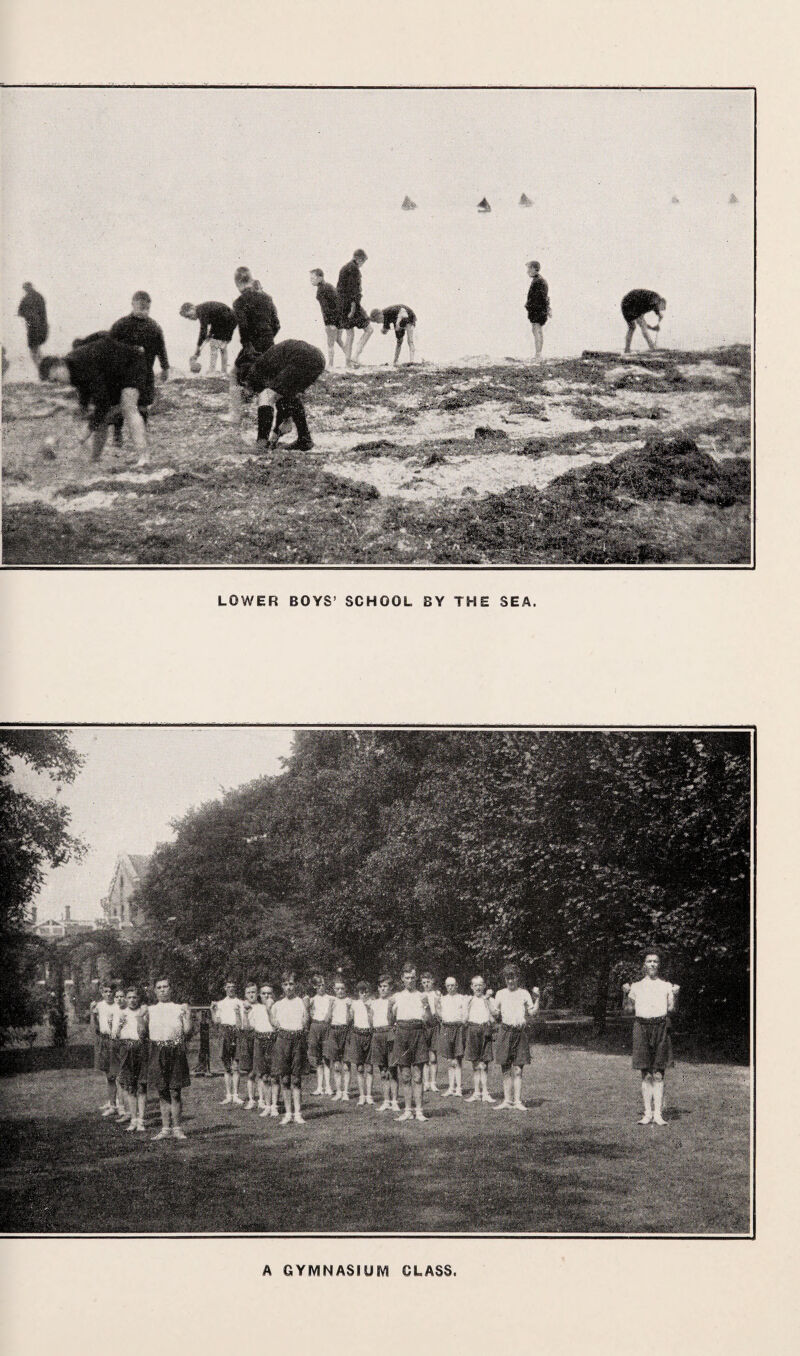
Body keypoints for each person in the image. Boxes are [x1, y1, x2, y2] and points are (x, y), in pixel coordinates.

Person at [38, 337, 149, 462]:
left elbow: (103, 403)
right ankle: (95, 458)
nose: (59, 384)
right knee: (100, 416)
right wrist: (83, 408)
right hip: (113, 372)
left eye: (56, 379)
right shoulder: (71, 368)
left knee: (128, 407)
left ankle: (144, 458)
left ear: (59, 365)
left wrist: (87, 431)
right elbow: (84, 389)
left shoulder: (82, 364)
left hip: (132, 362)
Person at [622, 952, 680, 1126]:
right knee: (646, 1074)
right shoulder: (636, 986)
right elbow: (628, 1010)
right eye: (649, 961)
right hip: (641, 1026)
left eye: (655, 961)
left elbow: (672, 1009)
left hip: (661, 1026)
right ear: (644, 965)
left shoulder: (666, 986)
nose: (653, 964)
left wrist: (675, 995)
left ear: (659, 965)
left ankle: (658, 1114)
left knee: (659, 1073)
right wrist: (625, 994)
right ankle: (647, 1114)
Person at [239, 339, 326, 453]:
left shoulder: (256, 370)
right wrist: (275, 436)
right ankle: (305, 439)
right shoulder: (270, 364)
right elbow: (284, 402)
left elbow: (267, 396)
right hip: (318, 359)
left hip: (301, 357)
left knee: (266, 396)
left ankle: (261, 444)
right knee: (289, 397)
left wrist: (280, 427)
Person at [109, 292, 169, 443]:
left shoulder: (154, 327)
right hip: (123, 372)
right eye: (140, 307)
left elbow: (161, 348)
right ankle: (117, 434)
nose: (144, 311)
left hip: (145, 372)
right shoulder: (121, 325)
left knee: (143, 404)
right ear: (133, 304)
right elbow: (109, 346)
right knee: (119, 403)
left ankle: (142, 434)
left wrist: (165, 367)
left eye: (146, 308)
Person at [224, 266, 280, 425]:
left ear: (237, 283)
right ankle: (278, 415)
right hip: (269, 344)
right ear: (251, 279)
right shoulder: (267, 298)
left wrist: (248, 346)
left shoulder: (239, 302)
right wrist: (267, 338)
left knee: (234, 375)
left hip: (252, 345)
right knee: (270, 379)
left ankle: (235, 415)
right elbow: (277, 324)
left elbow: (243, 327)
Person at [145, 977, 193, 1141]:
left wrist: (188, 1016)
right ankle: (165, 1128)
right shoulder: (150, 1010)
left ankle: (177, 1128)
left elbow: (187, 1032)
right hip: (157, 1050)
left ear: (171, 989)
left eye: (165, 986)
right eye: (159, 987)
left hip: (175, 1050)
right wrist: (140, 1018)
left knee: (175, 1091)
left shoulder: (179, 1008)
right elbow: (142, 1032)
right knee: (162, 1091)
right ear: (155, 991)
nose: (162, 990)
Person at [388, 964, 435, 1123]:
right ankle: (408, 1111)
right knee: (405, 1075)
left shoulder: (422, 996)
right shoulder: (397, 997)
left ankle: (419, 1111)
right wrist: (389, 1006)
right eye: (407, 978)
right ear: (402, 978)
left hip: (418, 1033)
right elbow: (390, 1021)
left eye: (413, 978)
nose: (410, 980)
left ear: (416, 978)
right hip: (402, 1034)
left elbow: (430, 1021)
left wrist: (427, 1006)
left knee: (418, 1075)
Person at [489, 966, 540, 1111]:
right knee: (505, 1068)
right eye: (508, 978)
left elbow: (532, 1012)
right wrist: (487, 1001)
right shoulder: (500, 993)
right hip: (505, 1032)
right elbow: (495, 1014)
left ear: (518, 978)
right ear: (505, 979)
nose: (510, 981)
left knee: (518, 1069)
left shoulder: (524, 993)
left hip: (520, 1033)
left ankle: (517, 1101)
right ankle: (507, 1101)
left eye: (513, 977)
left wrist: (537, 998)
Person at [270, 972, 309, 1126]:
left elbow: (306, 1021)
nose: (288, 987)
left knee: (297, 1078)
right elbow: (273, 1022)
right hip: (283, 1040)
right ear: (282, 986)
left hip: (297, 1040)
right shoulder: (277, 1005)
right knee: (285, 1079)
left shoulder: (301, 1002)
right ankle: (288, 1113)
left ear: (295, 985)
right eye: (285, 984)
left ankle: (298, 1113)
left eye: (291, 984)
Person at [112, 985, 149, 1132]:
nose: (132, 1000)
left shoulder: (144, 1012)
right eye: (129, 997)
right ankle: (133, 1119)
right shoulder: (121, 1013)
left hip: (141, 1048)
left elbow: (144, 1034)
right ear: (126, 999)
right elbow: (115, 1035)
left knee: (142, 1086)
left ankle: (141, 1120)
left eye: (135, 997)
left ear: (139, 998)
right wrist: (120, 1024)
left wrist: (140, 1018)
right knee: (130, 1086)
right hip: (126, 1049)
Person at [336, 249, 373, 367]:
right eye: (363, 261)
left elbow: (340, 289)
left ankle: (348, 363)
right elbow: (354, 290)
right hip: (352, 305)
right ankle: (355, 356)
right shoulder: (354, 269)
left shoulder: (345, 267)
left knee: (350, 334)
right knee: (369, 329)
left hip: (342, 305)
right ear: (359, 259)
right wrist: (353, 308)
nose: (363, 264)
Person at [211, 978, 245, 1106]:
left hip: (236, 1032)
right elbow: (216, 1021)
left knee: (236, 1065)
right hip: (224, 1033)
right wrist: (212, 1010)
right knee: (226, 1067)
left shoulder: (240, 1003)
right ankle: (228, 1095)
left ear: (235, 988)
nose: (231, 989)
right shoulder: (220, 1003)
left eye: (233, 986)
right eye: (228, 986)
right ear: (225, 988)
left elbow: (241, 1022)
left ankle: (236, 1095)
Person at [180, 300, 237, 374]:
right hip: (231, 319)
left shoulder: (201, 311)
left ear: (193, 308)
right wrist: (210, 334)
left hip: (226, 321)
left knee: (214, 344)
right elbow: (215, 320)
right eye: (187, 318)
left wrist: (198, 348)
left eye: (189, 315)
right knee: (222, 347)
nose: (190, 318)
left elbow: (203, 331)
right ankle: (224, 371)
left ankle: (212, 371)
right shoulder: (203, 309)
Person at [464, 976, 496, 1103]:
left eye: (480, 985)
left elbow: (494, 1017)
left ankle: (485, 1092)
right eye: (475, 985)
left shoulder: (489, 999)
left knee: (484, 1063)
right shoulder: (469, 1000)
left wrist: (487, 1001)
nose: (478, 987)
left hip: (485, 1030)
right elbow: (464, 1019)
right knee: (475, 1064)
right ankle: (477, 1092)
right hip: (472, 1030)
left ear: (484, 986)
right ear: (472, 987)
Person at [369, 974, 399, 1112]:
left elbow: (393, 1020)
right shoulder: (373, 1003)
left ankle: (395, 1101)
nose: (382, 989)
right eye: (380, 986)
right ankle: (386, 1101)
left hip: (390, 1034)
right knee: (383, 1071)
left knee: (392, 1070)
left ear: (390, 987)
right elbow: (371, 1022)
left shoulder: (394, 1001)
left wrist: (390, 1007)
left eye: (385, 986)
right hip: (377, 1035)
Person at [251, 983, 279, 1117]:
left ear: (273, 995)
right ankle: (267, 1105)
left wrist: (269, 1009)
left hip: (273, 1040)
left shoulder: (277, 1007)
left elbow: (277, 1026)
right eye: (263, 993)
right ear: (259, 995)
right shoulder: (255, 1008)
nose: (266, 996)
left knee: (275, 1075)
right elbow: (251, 1025)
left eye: (269, 993)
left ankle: (275, 1106)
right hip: (259, 1040)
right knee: (264, 1076)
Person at [309, 270, 346, 368]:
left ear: (320, 278)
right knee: (339, 340)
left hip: (332, 321)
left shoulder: (321, 290)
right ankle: (351, 359)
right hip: (340, 319)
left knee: (330, 343)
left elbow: (326, 309)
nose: (311, 281)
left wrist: (331, 323)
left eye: (313, 278)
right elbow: (338, 302)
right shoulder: (329, 286)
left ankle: (330, 365)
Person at [91, 981, 118, 1115]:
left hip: (116, 1040)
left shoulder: (118, 1005)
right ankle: (111, 1102)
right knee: (108, 1074)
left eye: (110, 992)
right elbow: (95, 1026)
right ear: (102, 993)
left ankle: (117, 1103)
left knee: (116, 1074)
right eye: (105, 991)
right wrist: (92, 1013)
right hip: (104, 1040)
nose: (108, 994)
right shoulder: (99, 1006)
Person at [346, 981, 374, 1106]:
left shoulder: (373, 1003)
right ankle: (362, 1095)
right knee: (359, 1067)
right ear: (358, 993)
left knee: (370, 1067)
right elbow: (348, 1020)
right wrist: (348, 1008)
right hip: (357, 1034)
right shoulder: (354, 1004)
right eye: (361, 992)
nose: (364, 994)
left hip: (369, 1034)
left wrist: (369, 1009)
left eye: (366, 992)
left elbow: (373, 1022)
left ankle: (369, 1095)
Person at [325, 976, 353, 1102]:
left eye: (342, 988)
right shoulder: (332, 1001)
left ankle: (346, 1092)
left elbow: (349, 1020)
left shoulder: (349, 1001)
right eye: (337, 989)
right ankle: (338, 1091)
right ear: (334, 989)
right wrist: (330, 1006)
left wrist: (348, 1008)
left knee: (346, 1065)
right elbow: (327, 1019)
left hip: (346, 1031)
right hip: (334, 1031)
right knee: (336, 1065)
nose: (340, 991)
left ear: (346, 989)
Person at [438, 977, 467, 1097]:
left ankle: (459, 1088)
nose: (450, 988)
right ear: (446, 987)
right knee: (449, 1060)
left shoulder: (462, 998)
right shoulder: (442, 999)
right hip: (446, 1028)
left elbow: (465, 1015)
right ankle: (451, 1087)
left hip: (458, 1029)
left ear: (456, 986)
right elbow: (439, 1014)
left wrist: (461, 1025)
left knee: (457, 1059)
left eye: (452, 985)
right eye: (448, 986)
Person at [306, 973, 333, 1097]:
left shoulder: (330, 998)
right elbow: (307, 1013)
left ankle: (328, 1087)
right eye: (318, 985)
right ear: (314, 987)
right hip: (315, 1027)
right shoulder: (312, 1000)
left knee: (326, 1058)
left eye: (323, 985)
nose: (321, 987)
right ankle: (319, 1087)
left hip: (326, 1027)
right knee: (317, 1059)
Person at [238, 982, 261, 1109]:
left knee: (261, 1071)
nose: (251, 995)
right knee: (250, 1072)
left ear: (257, 993)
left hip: (259, 1038)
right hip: (246, 1039)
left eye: (253, 992)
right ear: (245, 995)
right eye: (249, 992)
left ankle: (262, 1099)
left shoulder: (261, 1007)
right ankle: (252, 1099)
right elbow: (241, 1026)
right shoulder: (242, 1007)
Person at [109, 984, 129, 1121]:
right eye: (117, 997)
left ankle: (127, 1110)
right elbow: (113, 1030)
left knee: (124, 1078)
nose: (119, 999)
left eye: (122, 996)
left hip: (125, 1045)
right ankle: (121, 1107)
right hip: (114, 1044)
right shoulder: (114, 1011)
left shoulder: (128, 1011)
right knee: (117, 1077)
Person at [18, 282, 49, 366]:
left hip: (34, 326)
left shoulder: (27, 298)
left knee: (34, 348)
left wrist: (28, 314)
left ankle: (40, 366)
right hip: (39, 325)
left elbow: (20, 312)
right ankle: (41, 366)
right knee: (35, 348)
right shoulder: (38, 296)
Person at [420, 970, 441, 1094]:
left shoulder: (436, 994)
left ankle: (433, 1082)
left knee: (433, 1056)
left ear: (432, 981)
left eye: (428, 982)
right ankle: (426, 1083)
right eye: (424, 982)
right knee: (424, 1057)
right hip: (423, 1026)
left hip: (434, 1025)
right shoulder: (419, 995)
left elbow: (440, 1010)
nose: (426, 984)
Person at [525, 261, 550, 361]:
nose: (527, 271)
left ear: (534, 269)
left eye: (529, 268)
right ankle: (538, 354)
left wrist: (530, 306)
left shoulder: (539, 281)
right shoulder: (537, 280)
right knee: (536, 330)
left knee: (537, 330)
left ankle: (538, 354)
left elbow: (542, 298)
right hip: (536, 311)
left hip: (538, 311)